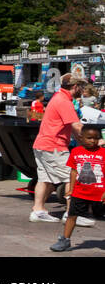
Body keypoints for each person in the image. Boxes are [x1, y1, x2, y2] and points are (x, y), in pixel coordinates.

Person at [31, 78, 87, 224]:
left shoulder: (58, 97)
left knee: (45, 179)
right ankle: (71, 214)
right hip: (54, 146)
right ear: (75, 86)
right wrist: (93, 141)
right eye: (80, 86)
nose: (82, 89)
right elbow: (77, 126)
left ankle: (38, 211)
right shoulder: (64, 101)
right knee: (71, 177)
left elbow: (72, 128)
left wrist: (83, 144)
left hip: (42, 144)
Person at [51, 124, 105, 251]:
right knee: (72, 215)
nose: (93, 141)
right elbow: (74, 171)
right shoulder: (75, 152)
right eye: (89, 138)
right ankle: (65, 240)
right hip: (80, 192)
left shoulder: (103, 153)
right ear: (81, 138)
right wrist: (71, 188)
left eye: (96, 138)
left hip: (99, 193)